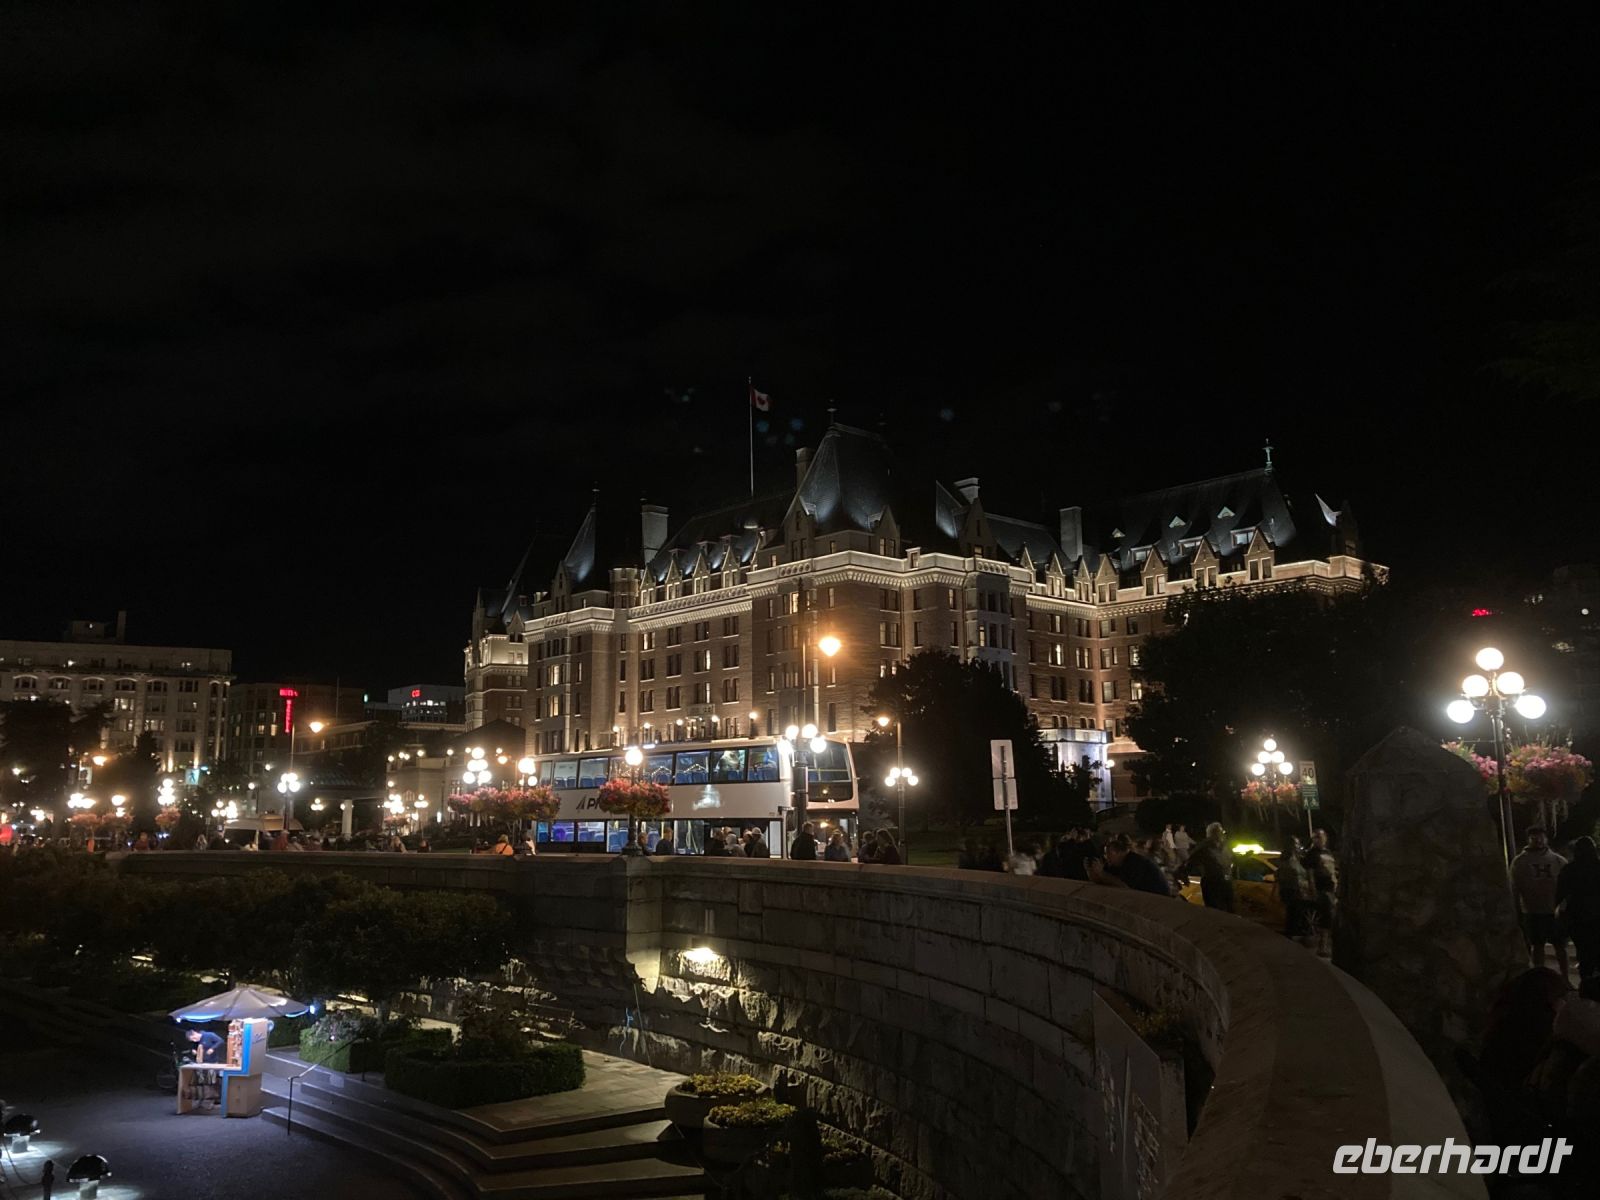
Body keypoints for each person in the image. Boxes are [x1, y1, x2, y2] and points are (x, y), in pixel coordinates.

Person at [1512, 826, 1570, 976]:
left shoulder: (1558, 860)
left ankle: (1565, 977)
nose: (1538, 840)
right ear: (1528, 839)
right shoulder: (1520, 862)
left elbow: (1568, 885)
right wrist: (1517, 910)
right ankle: (1540, 978)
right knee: (1537, 946)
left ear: (1546, 838)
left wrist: (1564, 907)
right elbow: (1514, 887)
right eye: (1534, 837)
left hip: (1554, 911)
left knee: (1560, 946)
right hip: (1533, 911)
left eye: (1540, 837)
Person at [1559, 835, 1600, 980]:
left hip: (1578, 918)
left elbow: (1560, 894)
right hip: (1597, 916)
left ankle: (1586, 982)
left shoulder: (1569, 869)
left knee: (1584, 953)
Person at [1179, 822, 1235, 913]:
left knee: (1230, 909)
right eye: (1220, 832)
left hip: (1226, 882)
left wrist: (1244, 857)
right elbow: (1190, 862)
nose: (1223, 834)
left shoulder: (1225, 847)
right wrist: (1184, 874)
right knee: (1215, 911)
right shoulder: (1204, 848)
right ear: (1213, 834)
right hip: (1212, 883)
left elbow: (1232, 859)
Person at [1095, 833, 1171, 895]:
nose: (1106, 857)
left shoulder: (1134, 862)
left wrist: (1102, 874)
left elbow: (1126, 888)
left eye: (1108, 853)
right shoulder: (1116, 863)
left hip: (1158, 898)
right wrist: (1095, 872)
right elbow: (1105, 880)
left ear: (1118, 852)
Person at [1275, 837, 1315, 943]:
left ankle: (1292, 933)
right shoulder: (1288, 859)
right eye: (1296, 844)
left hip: (1293, 889)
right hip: (1293, 890)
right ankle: (1295, 934)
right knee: (1296, 912)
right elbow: (1294, 875)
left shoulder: (1294, 858)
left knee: (1294, 912)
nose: (1298, 846)